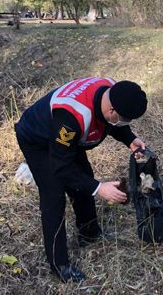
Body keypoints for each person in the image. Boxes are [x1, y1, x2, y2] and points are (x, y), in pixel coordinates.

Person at [14, 77, 148, 282]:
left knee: (82, 178)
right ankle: (59, 265)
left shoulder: (111, 90)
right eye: (125, 119)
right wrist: (98, 188)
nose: (125, 123)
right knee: (54, 197)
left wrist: (130, 138)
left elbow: (114, 125)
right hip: (37, 138)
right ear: (112, 110)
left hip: (66, 139)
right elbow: (61, 166)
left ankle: (89, 233)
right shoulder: (71, 118)